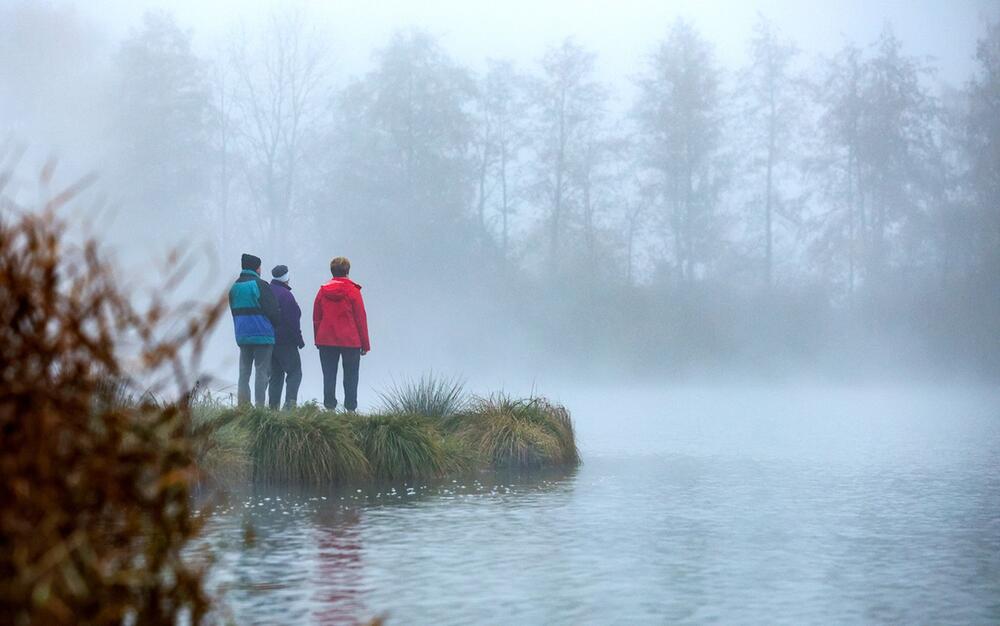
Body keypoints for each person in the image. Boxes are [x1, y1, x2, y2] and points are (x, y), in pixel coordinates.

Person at [313, 257, 370, 411]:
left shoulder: (322, 291)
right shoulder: (353, 291)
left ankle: (329, 407)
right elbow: (360, 318)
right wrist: (365, 344)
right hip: (350, 340)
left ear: (332, 271)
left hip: (326, 339)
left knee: (329, 375)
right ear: (347, 271)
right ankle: (350, 409)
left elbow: (317, 318)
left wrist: (318, 339)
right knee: (351, 376)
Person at [229, 253, 281, 407]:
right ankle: (259, 406)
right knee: (262, 372)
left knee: (244, 373)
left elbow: (233, 310)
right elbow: (273, 311)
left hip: (243, 335)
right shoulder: (260, 285)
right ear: (256, 268)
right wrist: (275, 324)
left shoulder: (234, 287)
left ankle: (243, 406)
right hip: (262, 335)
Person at [267, 264, 305, 410]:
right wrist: (299, 340)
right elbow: (292, 321)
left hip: (270, 341)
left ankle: (273, 409)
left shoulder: (268, 291)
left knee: (276, 375)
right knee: (295, 372)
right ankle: (289, 408)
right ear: (286, 278)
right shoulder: (286, 295)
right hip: (286, 342)